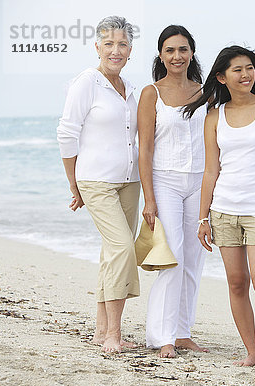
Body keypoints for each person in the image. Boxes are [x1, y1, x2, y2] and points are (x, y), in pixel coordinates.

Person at [184, 46, 255, 373]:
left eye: (249, 68)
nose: (245, 75)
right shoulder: (213, 117)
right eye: (237, 70)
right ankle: (252, 352)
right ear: (222, 77)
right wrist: (202, 217)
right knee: (237, 283)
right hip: (223, 211)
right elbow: (211, 170)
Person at [57, 16, 140, 353]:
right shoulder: (86, 83)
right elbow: (66, 134)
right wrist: (73, 184)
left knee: (112, 253)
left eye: (122, 44)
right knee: (123, 249)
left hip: (130, 182)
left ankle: (101, 329)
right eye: (109, 44)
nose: (115, 50)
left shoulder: (130, 88)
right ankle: (113, 335)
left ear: (130, 50)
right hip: (95, 181)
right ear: (97, 47)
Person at [137, 25, 208, 358]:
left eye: (182, 49)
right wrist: (149, 199)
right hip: (165, 181)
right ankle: (162, 336)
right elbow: (145, 149)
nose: (177, 56)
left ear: (191, 52)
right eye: (170, 50)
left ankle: (182, 332)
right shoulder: (152, 93)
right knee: (173, 257)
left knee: (194, 259)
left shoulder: (206, 91)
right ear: (161, 55)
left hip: (200, 182)